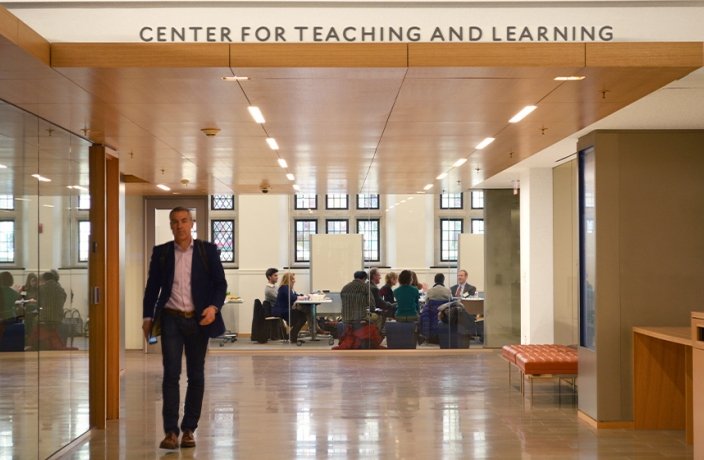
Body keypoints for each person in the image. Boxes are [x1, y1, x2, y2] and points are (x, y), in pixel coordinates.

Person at [142, 206, 227, 450]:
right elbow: (152, 289)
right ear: (171, 226)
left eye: (183, 221)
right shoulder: (162, 253)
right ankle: (171, 431)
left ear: (192, 224)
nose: (179, 225)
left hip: (199, 320)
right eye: (175, 222)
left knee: (196, 375)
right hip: (171, 319)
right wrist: (148, 316)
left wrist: (214, 307)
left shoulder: (206, 251)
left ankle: (189, 429)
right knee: (170, 374)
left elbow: (220, 284)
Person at [273, 272, 307, 344]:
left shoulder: (288, 288)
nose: (294, 281)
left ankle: (292, 336)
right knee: (303, 316)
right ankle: (292, 336)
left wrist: (302, 296)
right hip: (282, 310)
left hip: (286, 310)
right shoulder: (284, 287)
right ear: (289, 280)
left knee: (302, 315)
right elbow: (292, 298)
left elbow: (295, 295)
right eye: (293, 279)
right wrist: (302, 297)